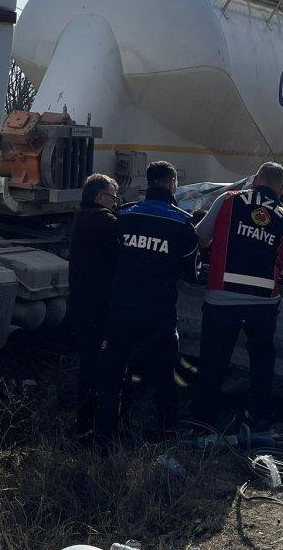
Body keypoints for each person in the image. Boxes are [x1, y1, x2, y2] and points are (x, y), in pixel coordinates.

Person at [94, 160, 198, 442]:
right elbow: (191, 272)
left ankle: (104, 438)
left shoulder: (124, 215)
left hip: (122, 309)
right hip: (160, 313)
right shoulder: (182, 223)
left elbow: (109, 259)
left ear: (149, 182)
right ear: (171, 183)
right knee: (164, 376)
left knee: (114, 374)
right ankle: (164, 435)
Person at [191, 162, 283, 429]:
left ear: (255, 179)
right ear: (281, 189)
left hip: (222, 298)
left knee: (214, 361)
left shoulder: (228, 201)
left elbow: (200, 236)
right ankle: (258, 418)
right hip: (263, 303)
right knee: (262, 362)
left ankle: (204, 420)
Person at [68, 173, 119, 437]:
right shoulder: (103, 221)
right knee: (97, 369)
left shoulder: (81, 217)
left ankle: (84, 424)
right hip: (98, 308)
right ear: (101, 197)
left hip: (81, 304)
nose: (115, 203)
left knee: (88, 366)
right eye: (113, 197)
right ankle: (90, 427)